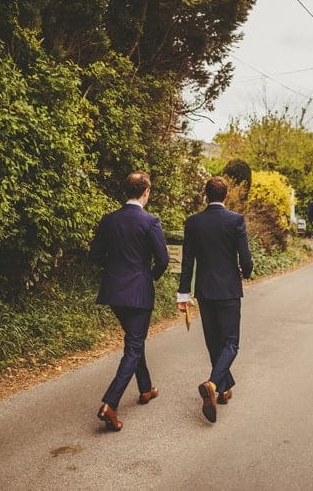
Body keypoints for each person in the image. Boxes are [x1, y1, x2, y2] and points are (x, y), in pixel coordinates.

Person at [89, 171, 169, 432]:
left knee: (135, 340)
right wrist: (149, 276)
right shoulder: (150, 221)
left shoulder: (109, 220)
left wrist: (115, 269)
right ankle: (110, 404)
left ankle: (145, 389)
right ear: (146, 192)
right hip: (138, 293)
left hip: (114, 292)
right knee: (134, 347)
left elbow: (95, 256)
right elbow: (163, 260)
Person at [177, 176, 253, 423]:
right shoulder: (235, 220)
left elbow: (187, 262)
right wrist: (247, 272)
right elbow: (246, 258)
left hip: (205, 290)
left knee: (213, 342)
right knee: (230, 343)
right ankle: (212, 384)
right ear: (226, 195)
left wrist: (183, 294)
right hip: (229, 290)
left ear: (205, 195)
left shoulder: (193, 223)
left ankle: (224, 388)